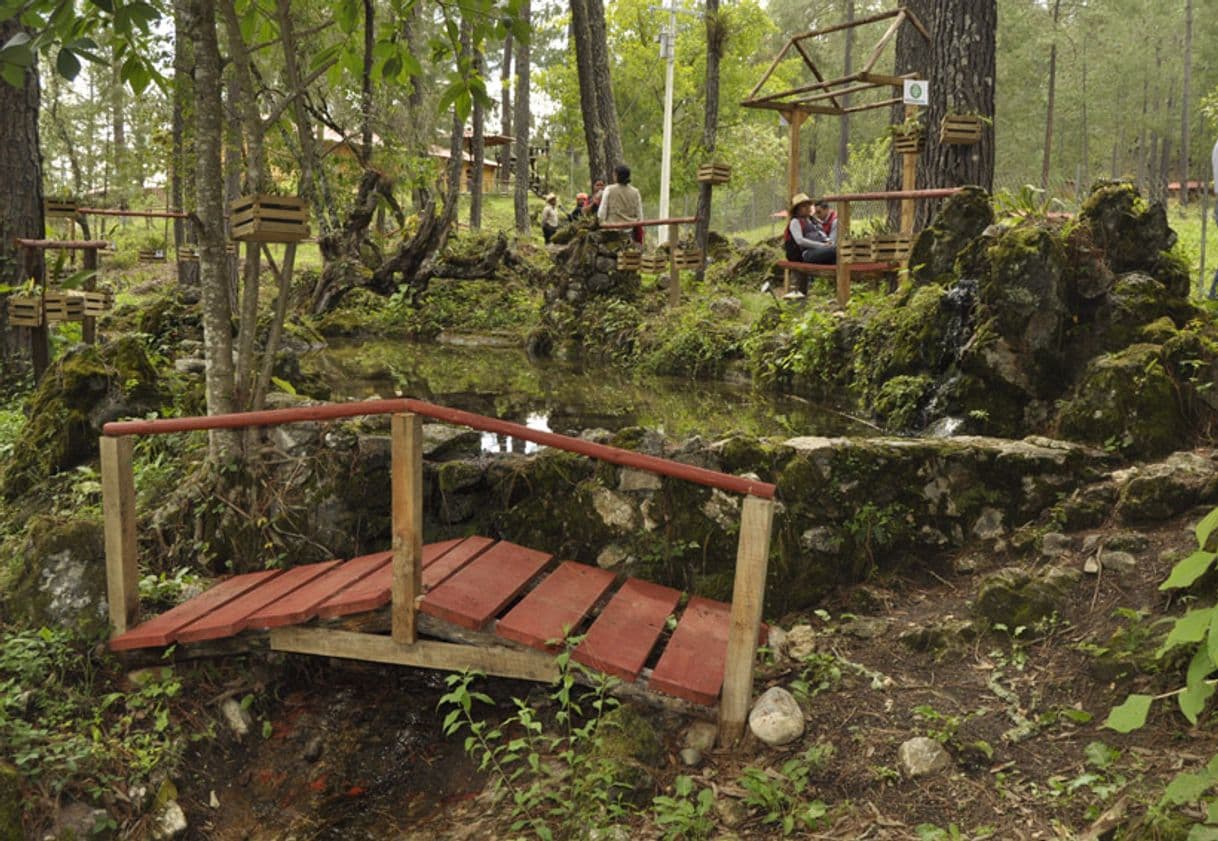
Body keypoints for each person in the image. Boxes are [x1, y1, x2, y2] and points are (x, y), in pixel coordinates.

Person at [598, 165, 644, 243]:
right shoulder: (635, 192)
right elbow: (640, 215)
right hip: (629, 232)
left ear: (616, 175)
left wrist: (601, 223)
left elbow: (601, 213)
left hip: (611, 231)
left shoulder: (609, 189)